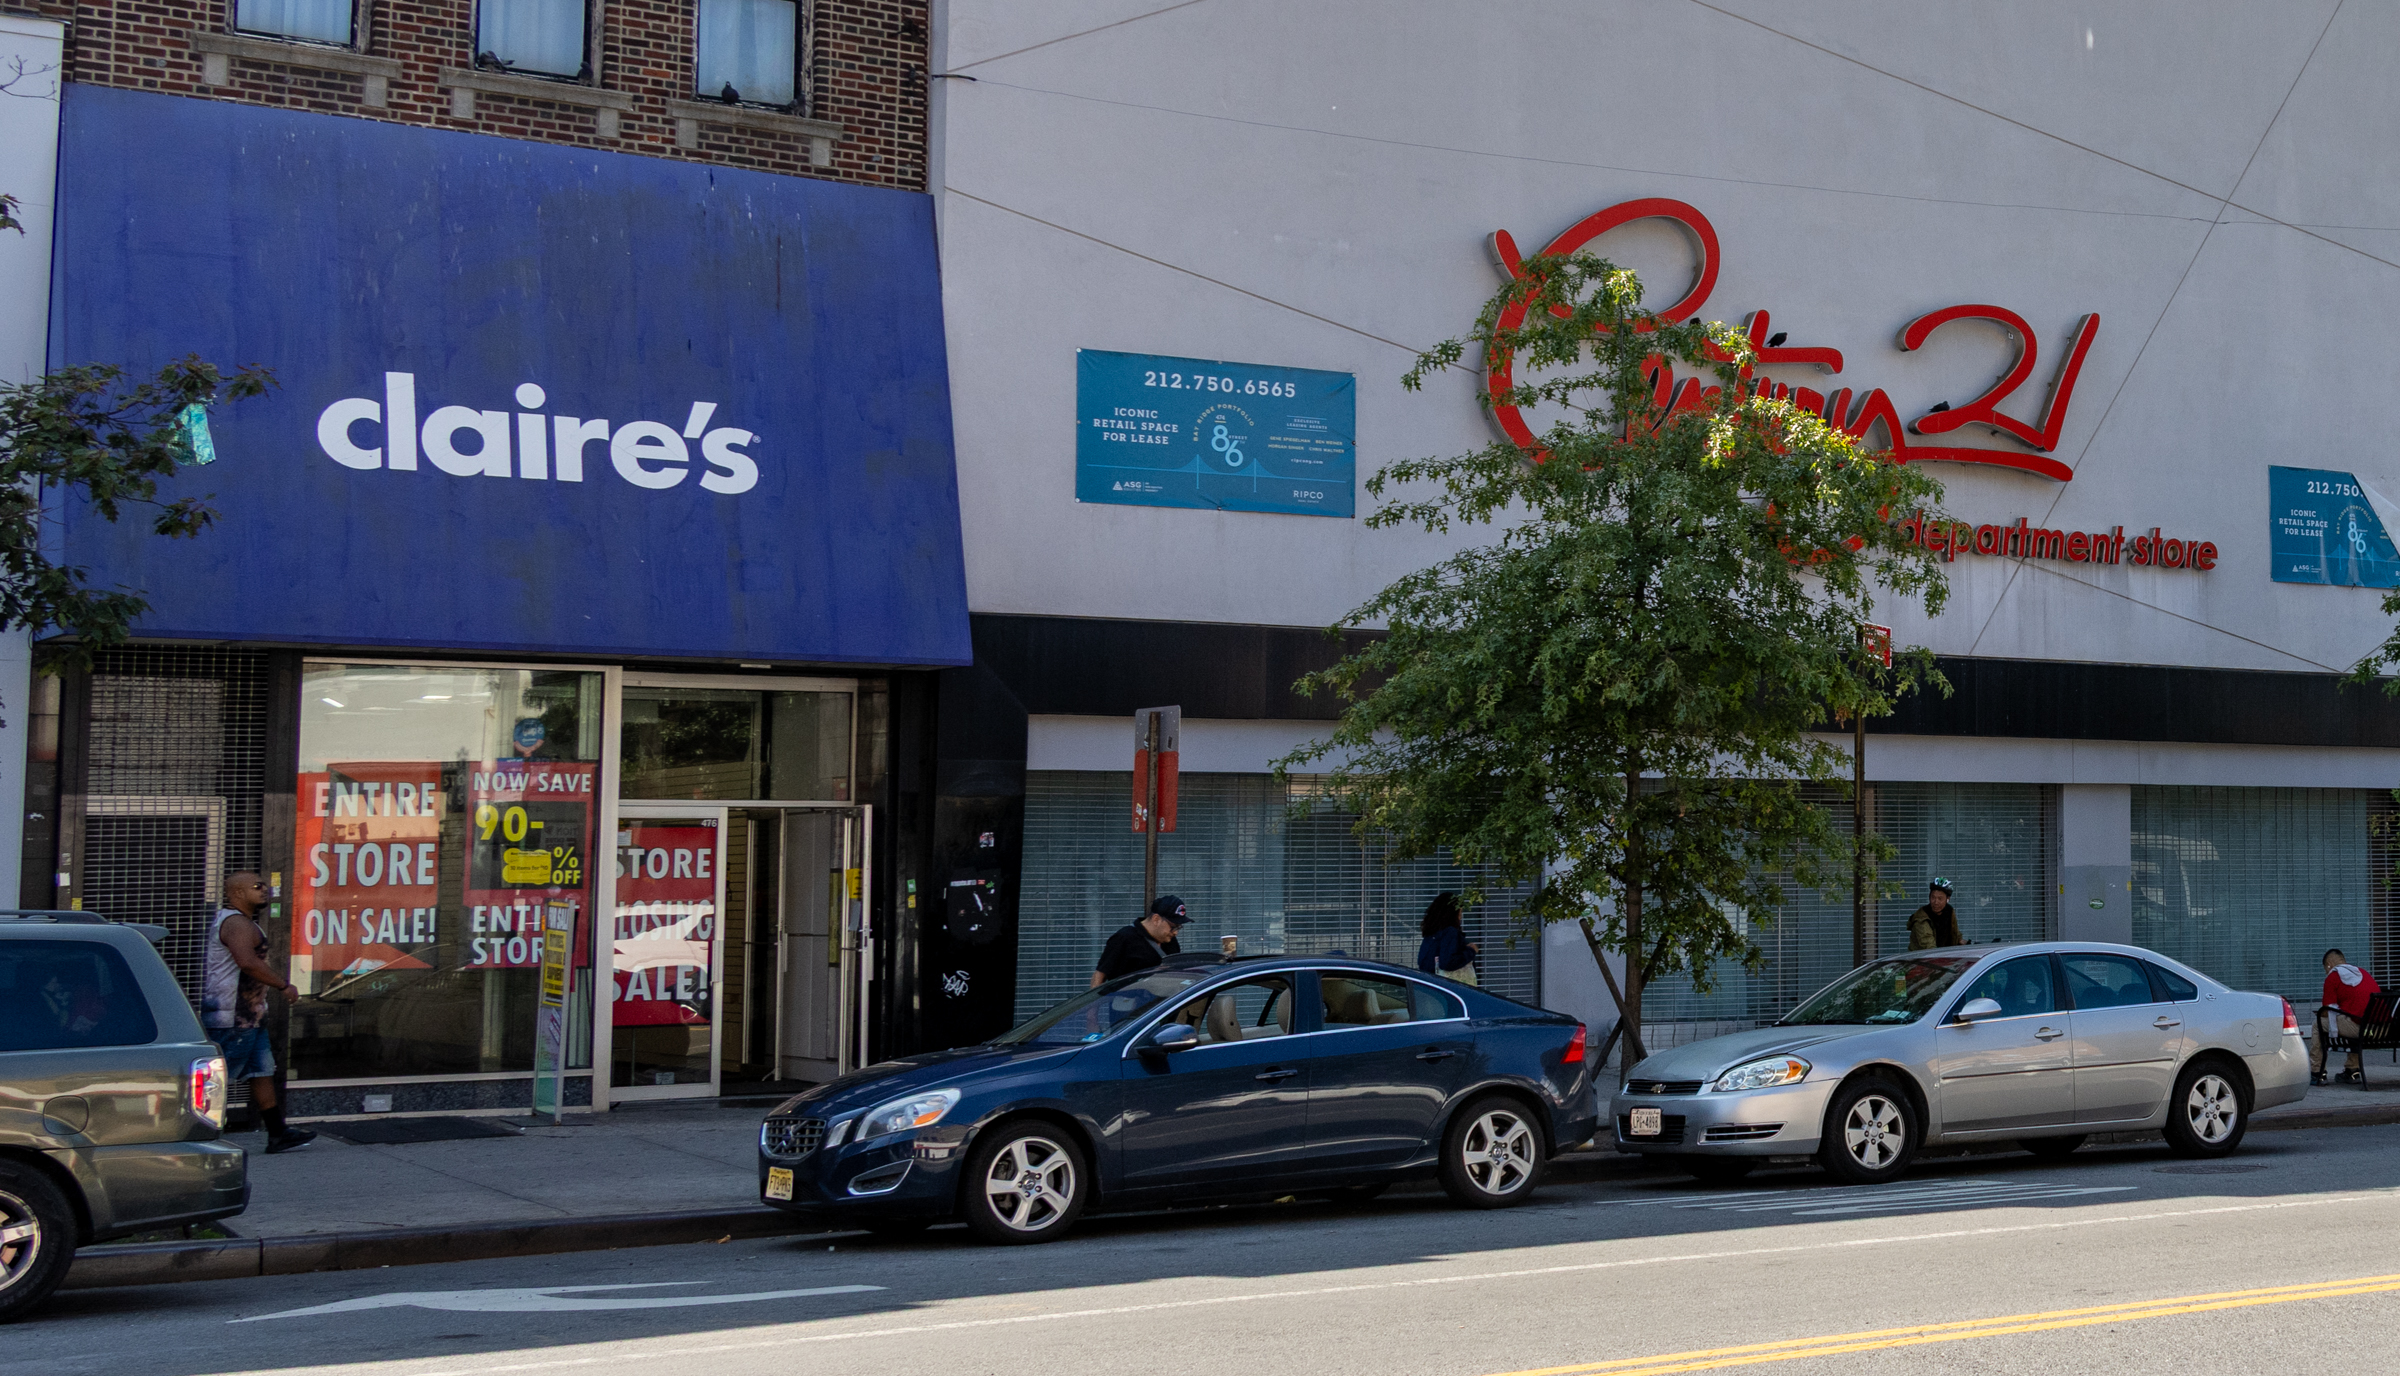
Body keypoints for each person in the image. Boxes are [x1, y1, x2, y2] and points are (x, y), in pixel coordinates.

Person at [205, 872, 315, 1153]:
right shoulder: (236, 924)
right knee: (217, 1079)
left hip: (249, 1016)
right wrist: (283, 985)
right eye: (257, 886)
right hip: (233, 1018)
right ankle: (196, 1134)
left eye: (265, 885)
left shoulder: (240, 922)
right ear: (237, 893)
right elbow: (247, 962)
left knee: (261, 1071)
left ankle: (278, 1132)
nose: (265, 890)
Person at [2313, 947, 2382, 1087]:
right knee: (2353, 1018)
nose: (2326, 972)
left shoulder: (2333, 976)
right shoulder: (2363, 973)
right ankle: (2352, 1070)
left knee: (2318, 1024)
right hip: (2381, 1030)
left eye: (2325, 969)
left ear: (2329, 965)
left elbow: (2327, 1011)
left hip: (2360, 1028)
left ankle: (2317, 1071)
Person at [1091, 895, 1190, 986]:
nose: (1175, 933)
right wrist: (1093, 1005)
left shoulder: (1170, 941)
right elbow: (1100, 974)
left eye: (1179, 928)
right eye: (1173, 927)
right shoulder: (1124, 938)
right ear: (1156, 919)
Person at [1416, 891, 1479, 986]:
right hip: (1446, 987)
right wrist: (1470, 951)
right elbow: (1447, 962)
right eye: (1460, 911)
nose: (1461, 916)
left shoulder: (1432, 932)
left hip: (1428, 984)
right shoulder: (1450, 932)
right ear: (1453, 913)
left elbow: (1422, 961)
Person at [1906, 878, 1965, 951]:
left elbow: (1955, 933)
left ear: (1948, 899)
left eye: (1940, 898)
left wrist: (1963, 943)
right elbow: (1929, 947)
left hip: (1944, 956)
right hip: (1922, 958)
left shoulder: (1949, 911)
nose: (1936, 902)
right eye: (1933, 897)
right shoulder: (1921, 918)